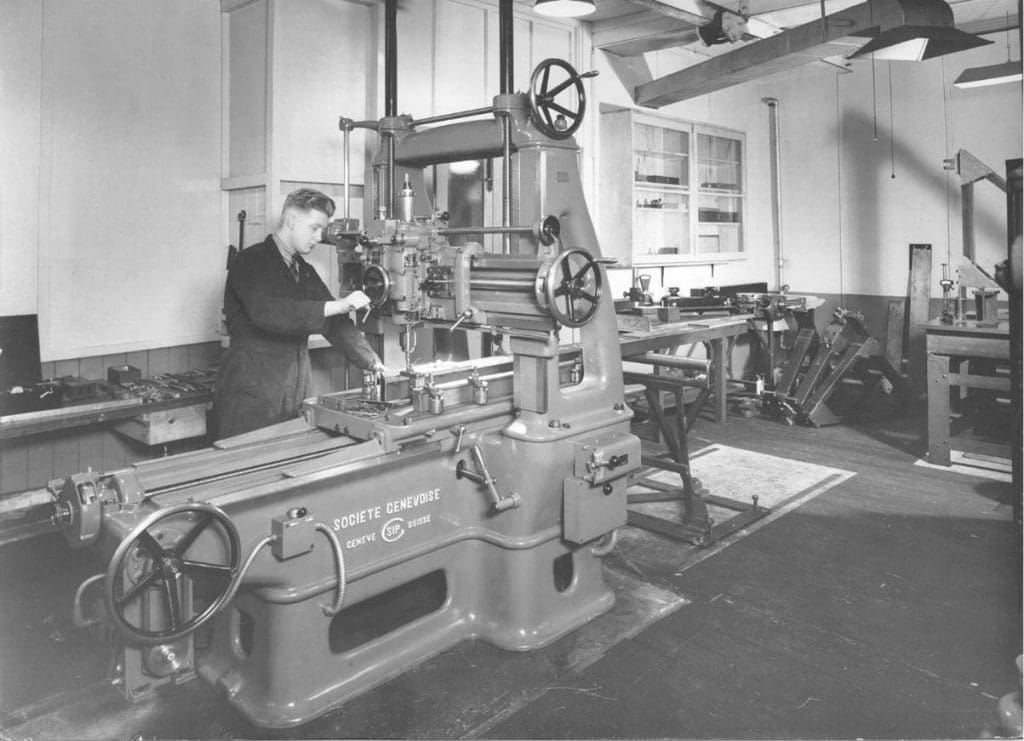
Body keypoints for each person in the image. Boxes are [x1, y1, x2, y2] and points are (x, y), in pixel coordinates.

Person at [215, 188, 385, 438]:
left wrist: (373, 364)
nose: (319, 237)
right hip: (251, 395)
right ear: (292, 219)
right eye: (314, 228)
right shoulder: (249, 262)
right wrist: (339, 304)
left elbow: (335, 325)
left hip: (294, 391)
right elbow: (268, 313)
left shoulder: (303, 271)